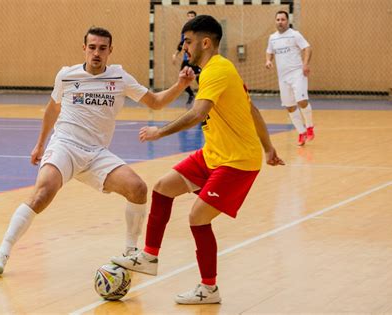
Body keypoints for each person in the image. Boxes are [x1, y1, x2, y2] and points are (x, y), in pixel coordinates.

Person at [0, 27, 195, 275]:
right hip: (65, 145)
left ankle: (130, 253)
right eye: (92, 47)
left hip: (96, 154)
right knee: (42, 194)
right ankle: (3, 251)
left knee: (138, 189)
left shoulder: (120, 78)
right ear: (84, 48)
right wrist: (40, 143)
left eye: (102, 48)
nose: (97, 53)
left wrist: (181, 84)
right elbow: (52, 109)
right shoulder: (66, 75)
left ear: (110, 51)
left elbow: (156, 103)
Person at [112, 15, 284, 304]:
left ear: (206, 42)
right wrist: (269, 147)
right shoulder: (216, 71)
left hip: (237, 161)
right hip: (214, 154)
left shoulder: (217, 70)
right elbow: (251, 108)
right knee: (163, 187)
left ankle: (209, 289)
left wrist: (159, 132)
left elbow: (197, 114)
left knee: (197, 216)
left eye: (188, 42)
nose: (184, 49)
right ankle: (149, 257)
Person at [265, 10, 314, 146]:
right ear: (275, 21)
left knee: (301, 100)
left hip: (298, 73)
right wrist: (268, 61)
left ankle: (310, 126)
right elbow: (269, 52)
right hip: (283, 77)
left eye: (283, 19)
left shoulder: (294, 35)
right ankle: (301, 132)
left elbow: (308, 48)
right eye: (278, 20)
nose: (280, 22)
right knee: (290, 106)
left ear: (288, 21)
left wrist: (305, 64)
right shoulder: (272, 38)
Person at [172, 10, 201, 108]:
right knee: (183, 78)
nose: (190, 18)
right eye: (189, 16)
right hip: (186, 59)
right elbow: (182, 44)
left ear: (195, 17)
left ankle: (203, 97)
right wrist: (175, 54)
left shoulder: (199, 30)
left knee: (200, 78)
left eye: (192, 16)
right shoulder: (185, 30)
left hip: (196, 58)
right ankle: (191, 95)